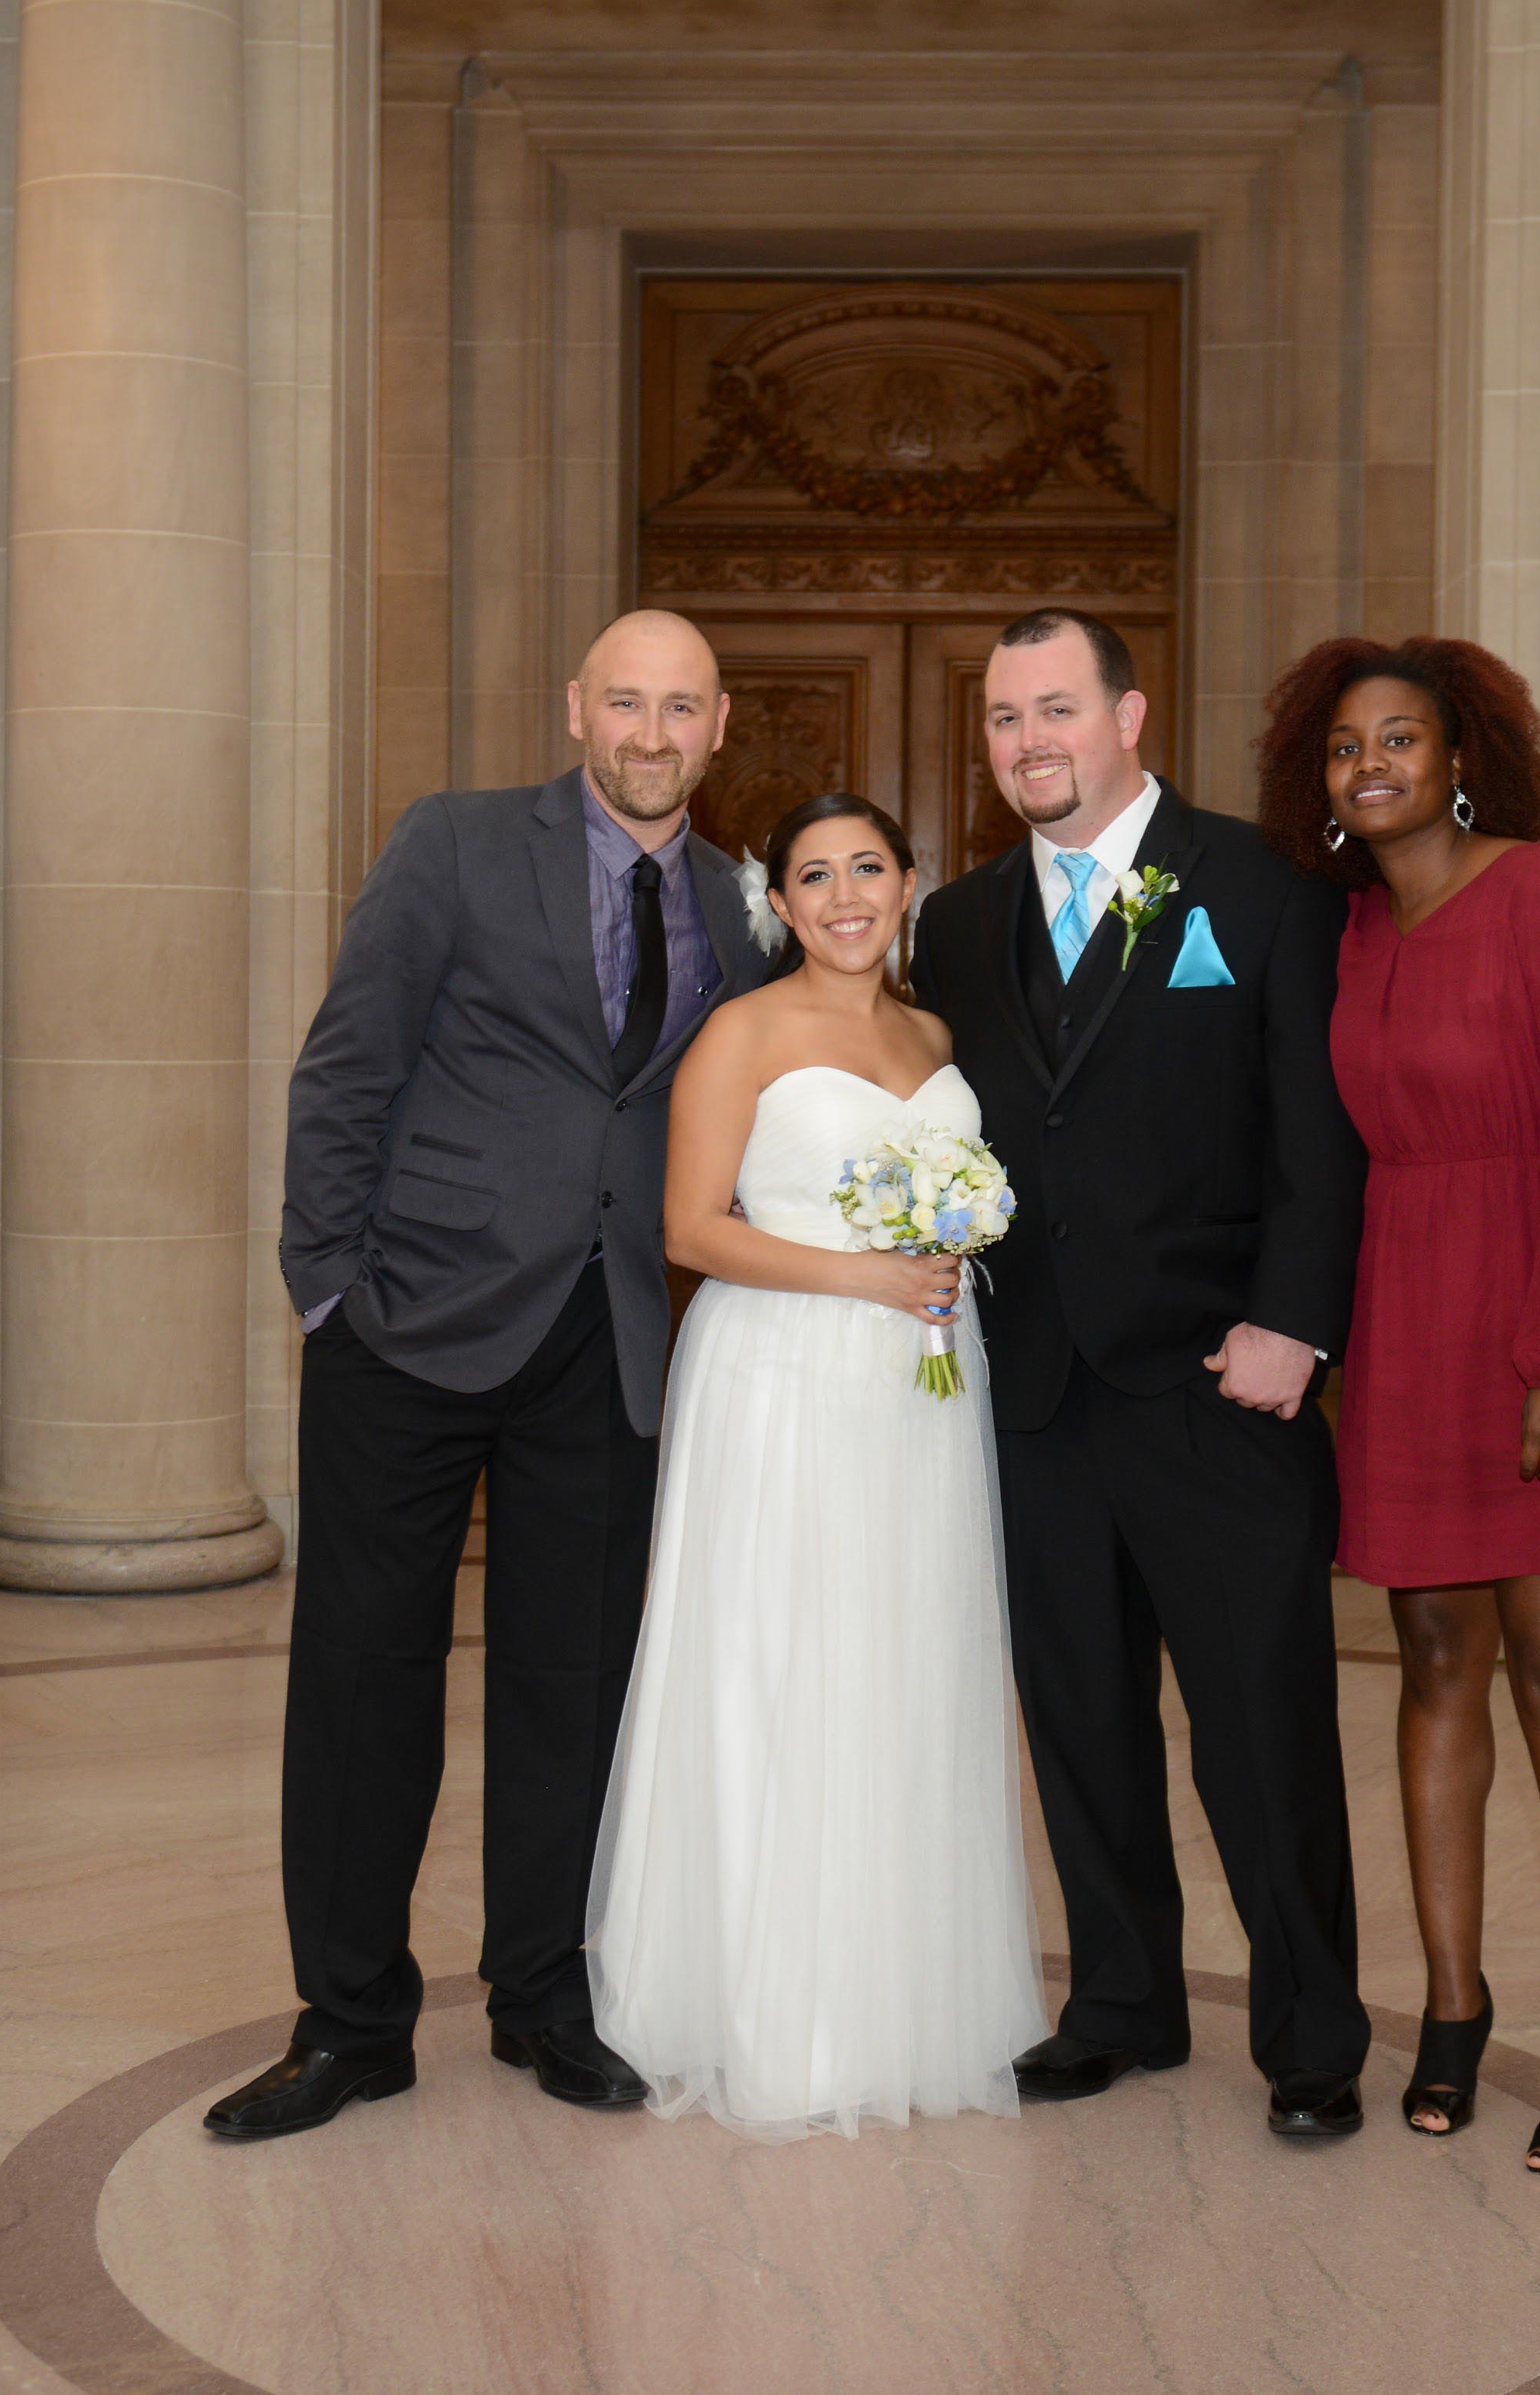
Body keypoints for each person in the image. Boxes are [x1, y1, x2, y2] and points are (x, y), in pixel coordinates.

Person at [212, 610, 769, 2144]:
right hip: (410, 1323)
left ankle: (543, 1991)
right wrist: (330, 1287)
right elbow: (348, 1065)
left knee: (571, 1685)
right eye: (628, 702)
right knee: (363, 1680)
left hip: (608, 1340)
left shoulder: (737, 900)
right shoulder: (452, 844)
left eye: (683, 708)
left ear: (719, 726)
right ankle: (351, 2022)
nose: (653, 733)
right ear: (576, 706)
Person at [908, 607, 1374, 2142]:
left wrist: (1293, 1324)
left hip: (1216, 1383)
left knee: (1261, 1725)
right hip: (1033, 1386)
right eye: (1002, 718)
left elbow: (1317, 1126)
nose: (1028, 740)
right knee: (1081, 1718)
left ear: (1129, 714)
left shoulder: (1261, 887)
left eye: (1055, 708)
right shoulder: (964, 922)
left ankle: (1312, 2027)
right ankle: (1121, 1996)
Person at [1261, 634, 1540, 2172]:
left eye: (1401, 738)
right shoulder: (1347, 928)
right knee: (1435, 1657)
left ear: (1461, 756)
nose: (1370, 764)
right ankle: (1449, 2003)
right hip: (1408, 1317)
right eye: (1344, 745)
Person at [583, 793, 1048, 2140]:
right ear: (778, 905)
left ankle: (904, 1992)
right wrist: (864, 1274)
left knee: (904, 1670)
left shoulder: (937, 1036)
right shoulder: (743, 1031)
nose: (844, 896)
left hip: (919, 1389)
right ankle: (769, 2003)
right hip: (781, 1378)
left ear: (911, 884)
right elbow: (689, 1229)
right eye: (812, 877)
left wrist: (934, 1269)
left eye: (868, 868)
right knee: (782, 1664)